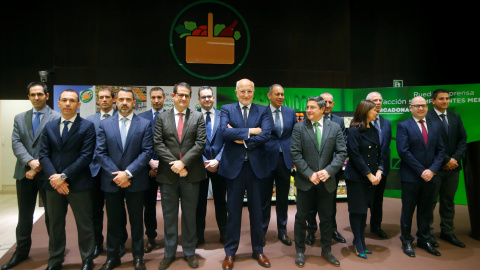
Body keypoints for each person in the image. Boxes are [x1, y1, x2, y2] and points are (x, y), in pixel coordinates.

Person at [2, 82, 61, 270]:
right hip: (24, 174)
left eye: (40, 94)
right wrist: (30, 162)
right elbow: (16, 143)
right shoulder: (20, 118)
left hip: (48, 175)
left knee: (52, 217)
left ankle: (55, 256)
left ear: (47, 95)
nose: (36, 98)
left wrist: (37, 167)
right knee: (24, 217)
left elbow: (56, 148)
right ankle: (21, 252)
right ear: (28, 96)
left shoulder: (57, 117)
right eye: (33, 94)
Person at [39, 89, 96, 270]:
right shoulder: (49, 126)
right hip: (53, 185)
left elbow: (86, 156)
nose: (67, 104)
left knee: (84, 224)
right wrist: (55, 179)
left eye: (72, 101)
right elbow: (44, 155)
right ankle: (55, 259)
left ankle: (87, 259)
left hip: (79, 184)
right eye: (64, 100)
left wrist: (63, 176)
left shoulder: (87, 127)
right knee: (55, 224)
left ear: (79, 104)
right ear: (58, 103)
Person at [96, 88, 153, 270]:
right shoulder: (104, 124)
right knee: (113, 222)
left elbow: (146, 152)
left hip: (135, 181)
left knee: (137, 221)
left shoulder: (144, 124)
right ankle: (113, 257)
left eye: (128, 99)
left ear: (134, 102)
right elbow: (100, 153)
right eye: (121, 99)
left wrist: (127, 173)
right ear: (115, 101)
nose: (124, 103)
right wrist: (118, 175)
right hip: (112, 181)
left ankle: (138, 257)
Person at [219, 79, 273, 270]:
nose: (246, 95)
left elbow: (267, 134)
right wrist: (251, 131)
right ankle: (230, 252)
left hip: (256, 168)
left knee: (257, 212)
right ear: (236, 92)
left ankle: (258, 249)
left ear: (254, 91)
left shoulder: (264, 110)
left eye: (249, 91)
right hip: (234, 168)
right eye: (242, 91)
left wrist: (241, 139)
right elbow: (224, 132)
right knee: (233, 213)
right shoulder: (226, 109)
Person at [154, 82, 206, 270]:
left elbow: (200, 143)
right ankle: (169, 253)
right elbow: (158, 144)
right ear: (173, 96)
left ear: (190, 97)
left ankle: (189, 252)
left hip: (191, 173)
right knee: (169, 215)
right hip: (168, 175)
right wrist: (176, 165)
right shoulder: (161, 117)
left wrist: (184, 163)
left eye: (187, 95)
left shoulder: (198, 117)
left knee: (190, 215)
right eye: (180, 95)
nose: (183, 98)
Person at [290, 96, 347, 267]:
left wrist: (328, 171)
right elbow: (295, 153)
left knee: (327, 218)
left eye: (313, 107)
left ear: (322, 110)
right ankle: (300, 251)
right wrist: (309, 173)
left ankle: (326, 250)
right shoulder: (299, 128)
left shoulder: (335, 127)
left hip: (326, 182)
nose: (308, 110)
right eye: (307, 107)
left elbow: (342, 152)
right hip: (305, 182)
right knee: (301, 218)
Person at [396, 96, 445, 257]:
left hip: (431, 177)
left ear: (427, 107)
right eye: (417, 106)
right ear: (410, 108)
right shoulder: (404, 126)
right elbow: (403, 151)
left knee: (426, 210)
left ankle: (424, 239)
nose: (420, 108)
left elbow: (441, 150)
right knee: (408, 211)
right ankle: (407, 240)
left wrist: (432, 170)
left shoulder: (435, 125)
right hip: (411, 177)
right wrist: (421, 171)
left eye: (423, 105)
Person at [86, 87, 128, 258]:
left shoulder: (123, 117)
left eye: (107, 97)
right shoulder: (90, 121)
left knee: (117, 210)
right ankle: (97, 243)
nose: (104, 100)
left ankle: (120, 242)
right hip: (95, 172)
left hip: (117, 173)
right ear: (97, 100)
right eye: (101, 97)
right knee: (95, 210)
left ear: (114, 99)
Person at [427, 89, 467, 248]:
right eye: (441, 99)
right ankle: (427, 234)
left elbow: (462, 140)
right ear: (433, 101)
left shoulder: (455, 117)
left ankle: (447, 231)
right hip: (435, 168)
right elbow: (430, 143)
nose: (445, 101)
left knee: (448, 201)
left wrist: (454, 159)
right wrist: (446, 160)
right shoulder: (427, 118)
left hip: (453, 169)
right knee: (429, 202)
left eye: (447, 98)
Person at [305, 92, 347, 245]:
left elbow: (341, 147)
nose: (327, 105)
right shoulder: (307, 120)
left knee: (330, 204)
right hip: (312, 172)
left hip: (331, 171)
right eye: (325, 102)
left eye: (330, 102)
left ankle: (332, 230)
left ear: (333, 104)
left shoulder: (338, 122)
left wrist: (330, 169)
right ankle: (311, 231)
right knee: (310, 205)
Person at [344, 100, 383, 259]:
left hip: (372, 177)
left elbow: (379, 153)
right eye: (374, 110)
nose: (376, 112)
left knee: (364, 211)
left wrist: (380, 170)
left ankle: (360, 240)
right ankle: (358, 242)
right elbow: (355, 156)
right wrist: (369, 174)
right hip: (357, 177)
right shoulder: (354, 131)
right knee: (357, 210)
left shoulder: (373, 129)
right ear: (365, 111)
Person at [261, 84, 296, 246]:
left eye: (282, 94)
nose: (280, 97)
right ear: (269, 96)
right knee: (264, 198)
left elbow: (295, 135)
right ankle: (261, 231)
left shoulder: (290, 112)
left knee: (283, 198)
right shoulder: (261, 112)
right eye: (277, 94)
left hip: (285, 160)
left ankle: (282, 231)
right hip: (266, 159)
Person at [195, 86, 227, 247]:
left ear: (213, 98)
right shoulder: (193, 117)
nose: (207, 99)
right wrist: (203, 161)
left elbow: (229, 140)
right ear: (199, 99)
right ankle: (198, 236)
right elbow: (189, 142)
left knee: (221, 202)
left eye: (209, 96)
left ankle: (224, 234)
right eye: (203, 97)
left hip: (220, 166)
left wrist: (218, 160)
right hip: (199, 166)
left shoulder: (224, 115)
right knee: (199, 203)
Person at [138, 87, 166, 253]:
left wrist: (160, 163)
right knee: (148, 206)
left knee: (170, 206)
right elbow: (139, 144)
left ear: (164, 98)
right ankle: (151, 237)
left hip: (167, 169)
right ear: (150, 98)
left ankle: (171, 238)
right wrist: (150, 162)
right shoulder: (141, 118)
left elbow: (173, 143)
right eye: (153, 97)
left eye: (159, 97)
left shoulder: (171, 116)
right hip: (147, 169)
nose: (156, 100)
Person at [366, 92, 392, 239]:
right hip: (366, 169)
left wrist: (381, 168)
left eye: (380, 100)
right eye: (375, 100)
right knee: (364, 200)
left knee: (378, 200)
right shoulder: (361, 122)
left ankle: (376, 226)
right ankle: (360, 228)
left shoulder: (387, 123)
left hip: (381, 168)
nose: (378, 103)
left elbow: (386, 147)